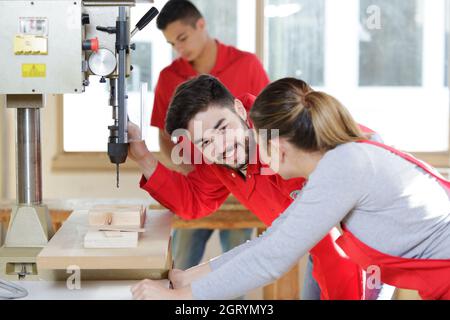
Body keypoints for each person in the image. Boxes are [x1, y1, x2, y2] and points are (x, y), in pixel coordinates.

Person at [131, 78, 450, 300]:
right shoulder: (331, 160)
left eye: (223, 130)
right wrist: (192, 278)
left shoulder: (339, 166)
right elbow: (275, 241)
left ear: (280, 142)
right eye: (205, 143)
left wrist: (184, 296)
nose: (262, 163)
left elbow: (272, 259)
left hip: (368, 268)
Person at [152, 0, 269, 274]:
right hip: (199, 186)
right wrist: (185, 167)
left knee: (239, 268)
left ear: (201, 24)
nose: (179, 49)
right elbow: (164, 136)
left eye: (182, 38)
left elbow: (269, 121)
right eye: (172, 44)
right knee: (183, 263)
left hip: (246, 189)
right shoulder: (168, 77)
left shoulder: (246, 64)